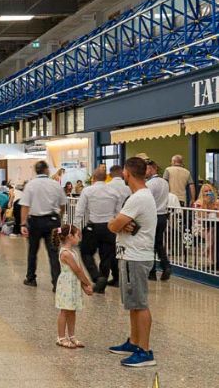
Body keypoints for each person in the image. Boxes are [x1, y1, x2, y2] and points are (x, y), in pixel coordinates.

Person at [107, 157, 158, 368]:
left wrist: (117, 223)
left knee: (139, 303)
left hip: (136, 256)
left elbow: (113, 224)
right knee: (133, 303)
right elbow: (120, 223)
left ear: (127, 173)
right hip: (132, 254)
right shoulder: (140, 196)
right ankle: (134, 341)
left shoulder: (139, 198)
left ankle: (145, 351)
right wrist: (119, 223)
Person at [75, 168, 123, 294]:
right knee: (106, 256)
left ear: (93, 178)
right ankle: (102, 281)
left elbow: (80, 210)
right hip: (109, 227)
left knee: (85, 252)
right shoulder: (114, 192)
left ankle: (97, 277)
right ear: (106, 178)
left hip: (93, 227)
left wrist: (76, 227)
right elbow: (118, 212)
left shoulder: (88, 190)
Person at [21, 161, 68, 291]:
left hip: (34, 222)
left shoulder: (30, 185)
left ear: (36, 170)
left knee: (32, 251)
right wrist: (59, 216)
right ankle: (56, 282)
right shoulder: (55, 184)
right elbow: (63, 204)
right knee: (54, 252)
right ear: (46, 170)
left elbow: (25, 205)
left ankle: (31, 278)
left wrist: (23, 223)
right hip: (53, 221)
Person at [54, 224, 94, 349]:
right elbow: (77, 270)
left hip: (74, 283)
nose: (79, 238)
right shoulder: (66, 253)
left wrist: (83, 285)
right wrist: (87, 283)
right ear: (70, 236)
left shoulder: (73, 252)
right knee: (64, 310)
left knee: (72, 310)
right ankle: (61, 337)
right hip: (67, 284)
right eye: (78, 235)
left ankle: (71, 336)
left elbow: (79, 269)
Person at [146, 159, 172, 281]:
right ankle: (165, 266)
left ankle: (152, 272)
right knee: (159, 243)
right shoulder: (165, 182)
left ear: (152, 169)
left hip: (153, 216)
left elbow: (147, 200)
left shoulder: (150, 184)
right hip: (163, 215)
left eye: (146, 169)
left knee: (150, 244)